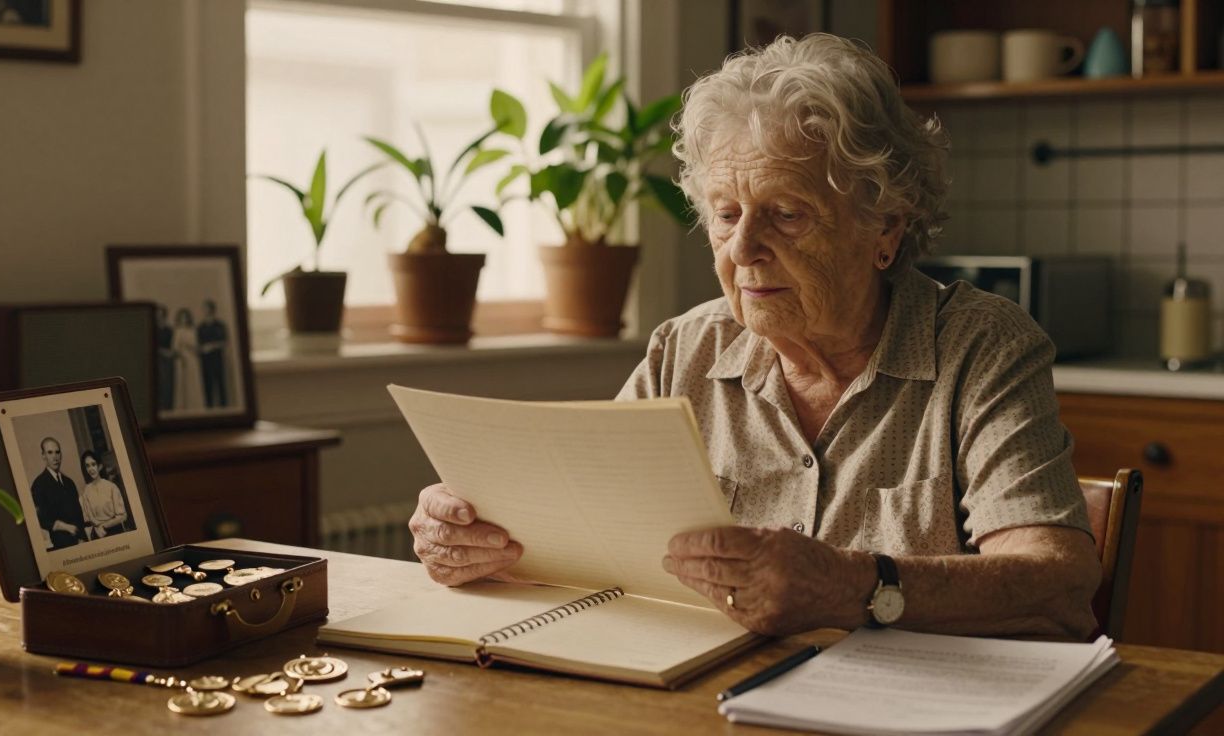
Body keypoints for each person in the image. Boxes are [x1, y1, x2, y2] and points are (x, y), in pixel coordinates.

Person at [407, 34, 1101, 640]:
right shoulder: (683, 350)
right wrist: (473, 535)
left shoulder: (983, 347)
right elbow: (584, 537)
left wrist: (852, 585)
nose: (742, 248)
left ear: (885, 229)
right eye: (725, 213)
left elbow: (1057, 585)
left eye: (787, 214)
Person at [30, 438, 86, 550]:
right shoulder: (39, 484)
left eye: (57, 452)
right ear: (43, 456)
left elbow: (79, 515)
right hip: (61, 545)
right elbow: (41, 519)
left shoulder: (69, 482)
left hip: (81, 541)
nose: (55, 457)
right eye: (50, 452)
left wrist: (82, 539)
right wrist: (65, 527)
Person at [78, 450, 128, 539]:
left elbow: (122, 516)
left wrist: (104, 525)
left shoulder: (111, 487)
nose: (91, 469)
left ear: (100, 466)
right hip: (98, 533)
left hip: (115, 531)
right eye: (87, 466)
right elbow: (89, 517)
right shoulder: (86, 491)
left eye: (93, 464)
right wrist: (97, 528)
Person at [196, 299, 230, 408]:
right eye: (204, 308)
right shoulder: (200, 327)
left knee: (220, 382)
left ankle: (224, 406)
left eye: (207, 308)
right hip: (205, 359)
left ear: (212, 309)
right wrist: (202, 349)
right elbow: (198, 343)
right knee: (207, 383)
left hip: (217, 357)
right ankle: (209, 406)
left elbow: (224, 342)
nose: (205, 310)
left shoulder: (219, 325)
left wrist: (211, 346)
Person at [171, 307, 203, 412]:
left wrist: (193, 348)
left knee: (193, 380)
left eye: (185, 318)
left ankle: (195, 404)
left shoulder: (193, 330)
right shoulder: (178, 331)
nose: (184, 320)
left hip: (193, 358)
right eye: (182, 318)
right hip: (182, 359)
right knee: (183, 382)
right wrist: (182, 354)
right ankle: (183, 406)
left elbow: (196, 345)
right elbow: (175, 347)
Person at [156, 305, 176, 412]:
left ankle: (169, 407)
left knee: (168, 383)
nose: (159, 316)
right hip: (157, 359)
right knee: (159, 383)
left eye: (161, 314)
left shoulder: (169, 330)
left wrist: (170, 352)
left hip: (168, 358)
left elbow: (174, 345)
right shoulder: (153, 329)